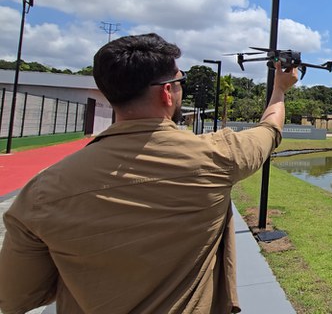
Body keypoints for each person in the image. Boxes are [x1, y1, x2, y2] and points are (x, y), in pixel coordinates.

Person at [0, 33, 298, 314]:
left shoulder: (42, 191)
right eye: (181, 81)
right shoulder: (218, 156)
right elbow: (269, 129)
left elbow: (15, 297)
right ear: (167, 92)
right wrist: (279, 89)